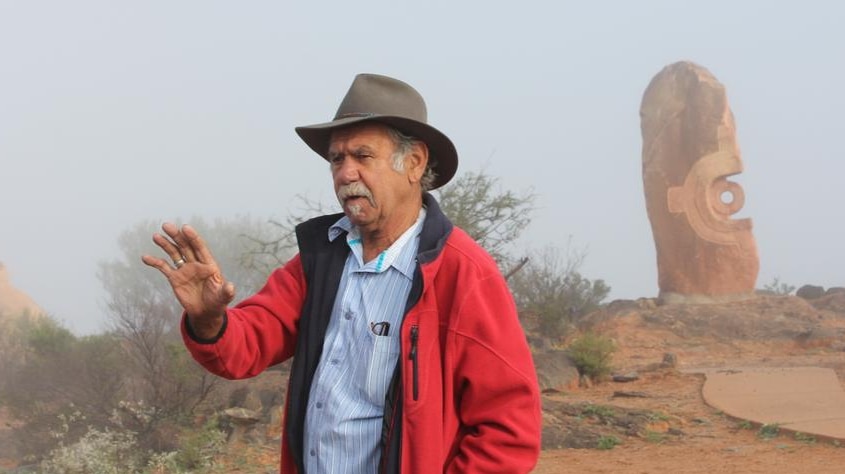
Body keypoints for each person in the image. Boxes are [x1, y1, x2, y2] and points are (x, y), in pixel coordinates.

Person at [142, 73, 542, 473]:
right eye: (337, 158)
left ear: (415, 163)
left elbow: (509, 429)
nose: (345, 173)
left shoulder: (463, 275)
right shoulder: (321, 260)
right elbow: (248, 344)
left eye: (363, 156)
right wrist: (209, 319)